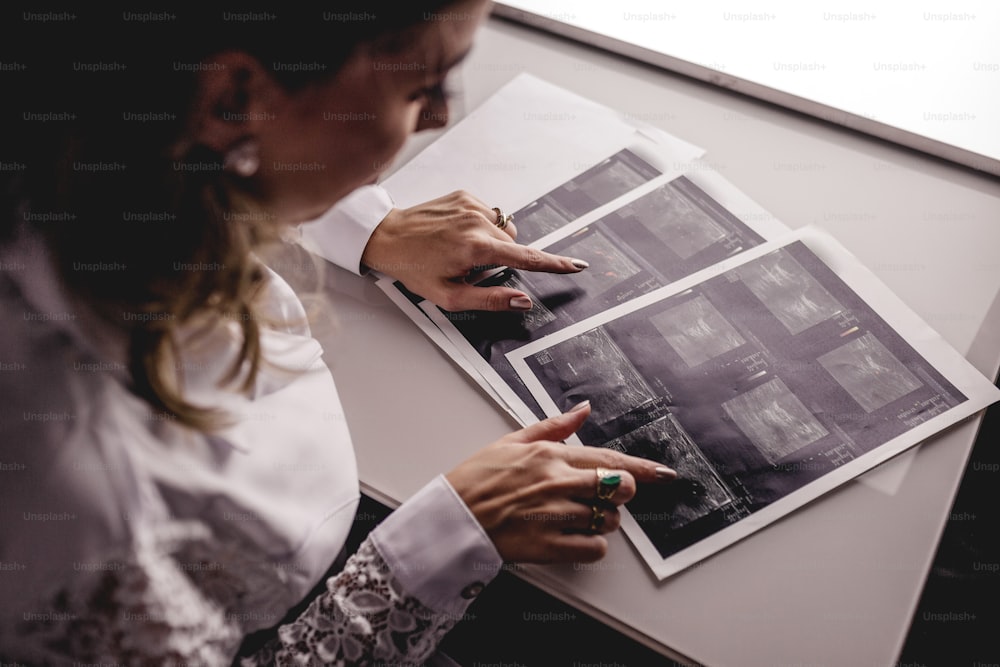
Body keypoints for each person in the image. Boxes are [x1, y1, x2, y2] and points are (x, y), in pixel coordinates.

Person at [0, 3, 676, 665]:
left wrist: (363, 223)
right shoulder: (78, 498)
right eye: (422, 86)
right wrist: (443, 541)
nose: (438, 117)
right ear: (234, 96)